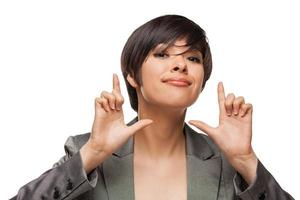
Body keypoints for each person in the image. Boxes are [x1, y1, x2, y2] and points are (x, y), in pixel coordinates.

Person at [11, 14, 294, 200]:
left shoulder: (228, 162)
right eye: (162, 54)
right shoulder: (85, 151)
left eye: (193, 59)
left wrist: (246, 161)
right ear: (132, 75)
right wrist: (93, 153)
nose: (181, 64)